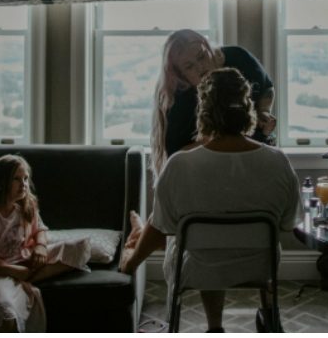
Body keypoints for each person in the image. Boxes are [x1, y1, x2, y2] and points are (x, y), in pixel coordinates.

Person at [122, 67, 301, 333]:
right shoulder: (277, 161)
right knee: (256, 239)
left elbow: (161, 229)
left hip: (197, 269)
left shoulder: (180, 165)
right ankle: (269, 315)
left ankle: (214, 327)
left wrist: (131, 263)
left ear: (203, 110)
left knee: (185, 238)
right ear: (247, 107)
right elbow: (287, 223)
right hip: (259, 267)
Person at [0, 154, 91, 332]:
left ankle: (26, 275)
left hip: (26, 259)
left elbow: (40, 228)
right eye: (16, 179)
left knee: (80, 247)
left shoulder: (26, 206)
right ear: (1, 182)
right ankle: (22, 278)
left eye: (25, 178)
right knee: (6, 311)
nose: (23, 184)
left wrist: (40, 246)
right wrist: (11, 270)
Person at [151, 29, 276, 179]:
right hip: (206, 172)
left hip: (258, 152)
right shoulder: (179, 99)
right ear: (180, 75)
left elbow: (267, 88)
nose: (200, 67)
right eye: (189, 67)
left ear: (208, 47)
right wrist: (214, 139)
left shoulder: (238, 57)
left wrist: (263, 111)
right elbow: (176, 156)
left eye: (202, 56)